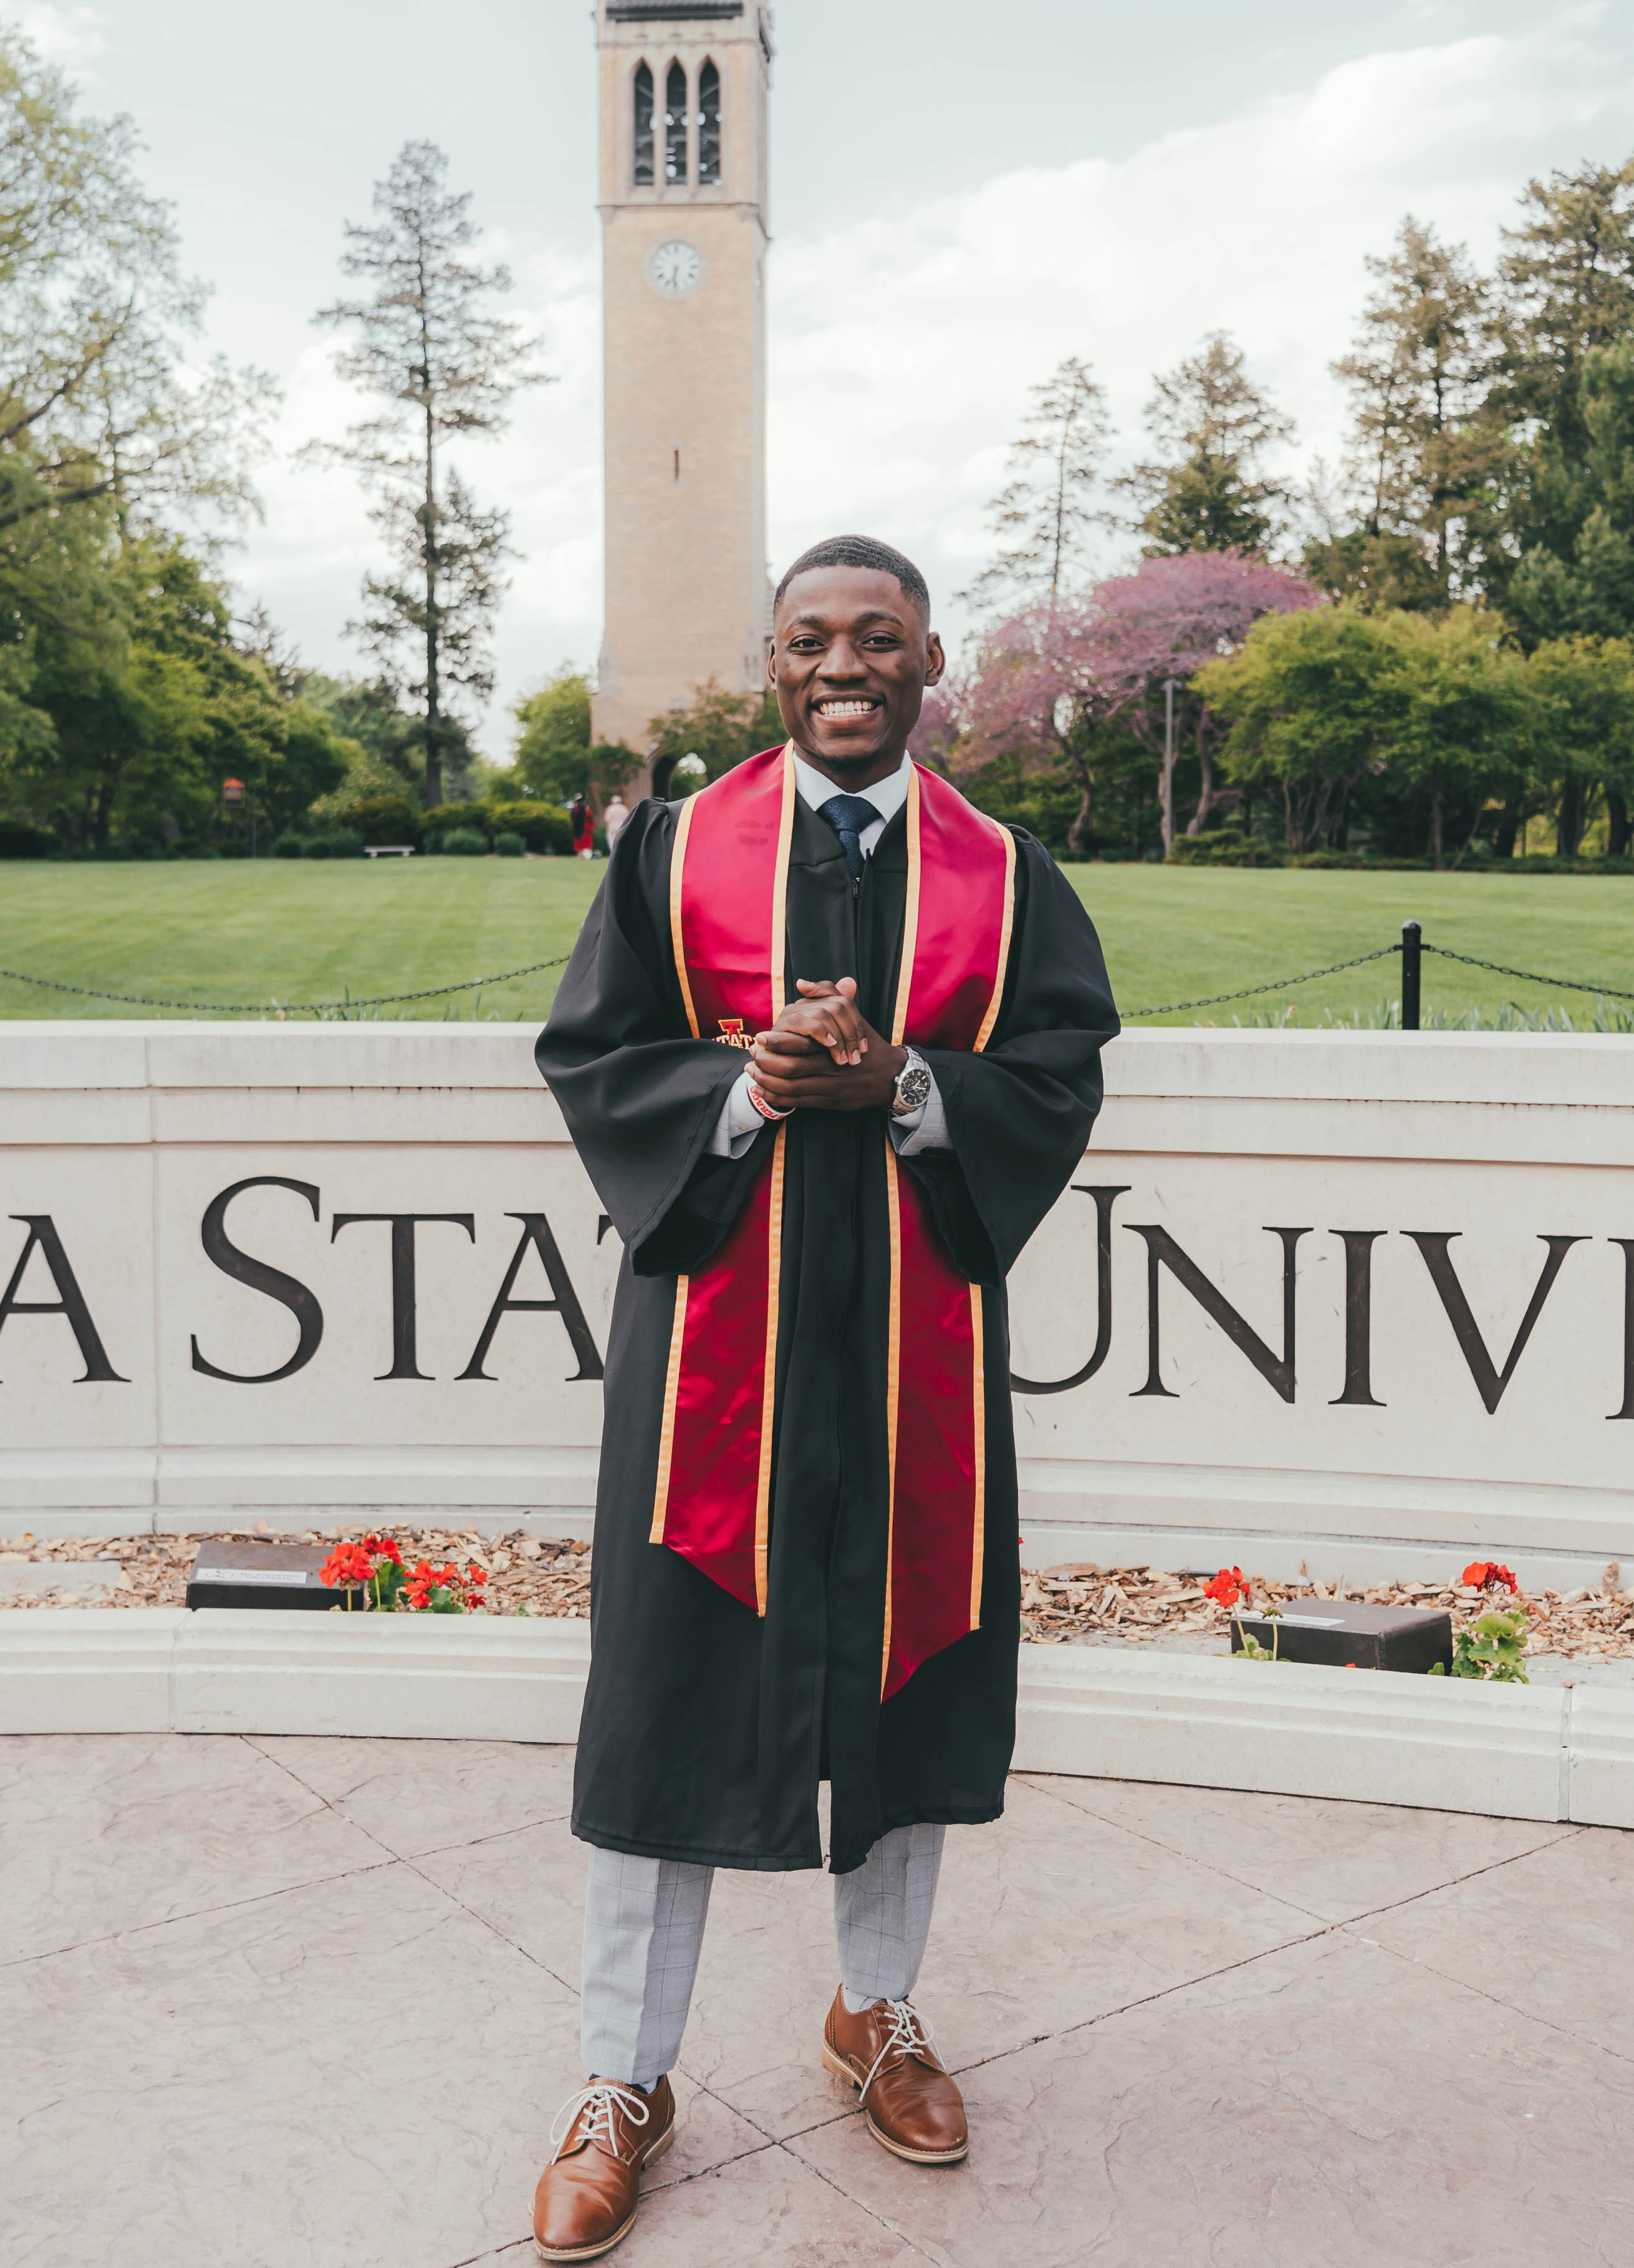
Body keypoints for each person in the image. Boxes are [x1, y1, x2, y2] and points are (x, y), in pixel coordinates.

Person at [526, 534, 1118, 2260]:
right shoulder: (671, 850)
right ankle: (619, 2076)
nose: (842, 666)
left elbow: (1061, 1075)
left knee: (908, 1667)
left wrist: (914, 1084)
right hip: (715, 1344)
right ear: (768, 662)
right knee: (663, 1693)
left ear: (932, 659)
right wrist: (749, 1089)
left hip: (912, 1353)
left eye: (878, 638)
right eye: (809, 640)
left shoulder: (1006, 875)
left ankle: (880, 2011)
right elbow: (594, 1055)